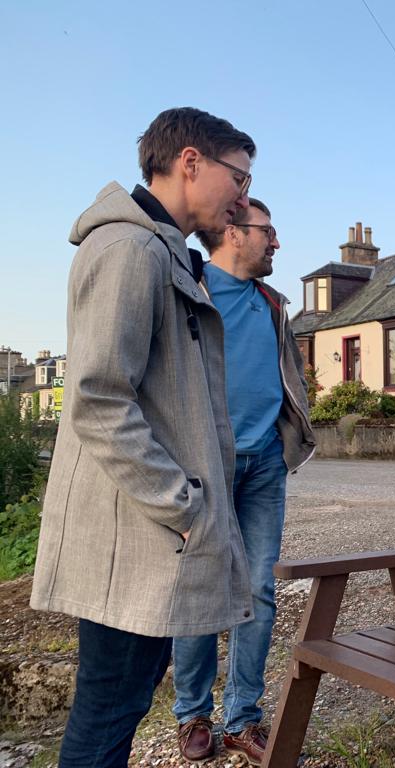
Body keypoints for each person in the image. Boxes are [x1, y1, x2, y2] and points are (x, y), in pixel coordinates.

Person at [30, 108, 256, 767]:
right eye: (238, 177)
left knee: (119, 705)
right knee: (108, 712)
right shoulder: (130, 250)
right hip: (137, 534)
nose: (243, 199)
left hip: (146, 534)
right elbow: (99, 397)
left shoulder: (158, 250)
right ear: (190, 162)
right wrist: (182, 504)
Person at [173, 198, 315, 764]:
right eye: (267, 231)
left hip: (264, 467)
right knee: (201, 587)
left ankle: (242, 719)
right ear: (232, 232)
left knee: (259, 588)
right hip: (204, 468)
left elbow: (290, 374)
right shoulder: (187, 288)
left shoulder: (272, 303)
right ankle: (192, 714)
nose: (276, 242)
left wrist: (291, 434)